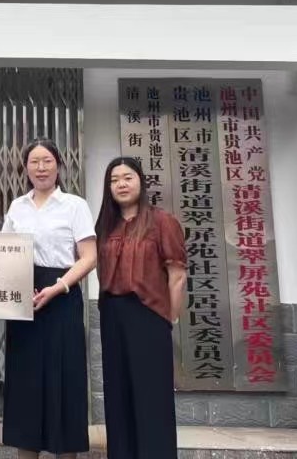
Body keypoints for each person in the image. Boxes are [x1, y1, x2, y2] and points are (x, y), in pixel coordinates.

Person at [0, 139, 97, 459]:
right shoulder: (17, 206)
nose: (41, 168)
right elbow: (3, 252)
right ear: (25, 168)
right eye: (34, 162)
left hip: (63, 297)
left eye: (47, 161)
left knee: (64, 380)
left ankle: (64, 451)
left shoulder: (75, 205)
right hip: (23, 298)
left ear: (59, 165)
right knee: (25, 382)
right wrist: (17, 285)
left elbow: (89, 257)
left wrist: (59, 287)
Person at [95, 156, 187, 459]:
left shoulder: (161, 222)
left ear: (141, 181)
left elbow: (177, 275)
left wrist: (168, 318)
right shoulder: (105, 225)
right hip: (112, 316)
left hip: (149, 315)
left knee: (152, 397)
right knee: (118, 395)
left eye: (128, 178)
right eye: (114, 180)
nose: (121, 184)